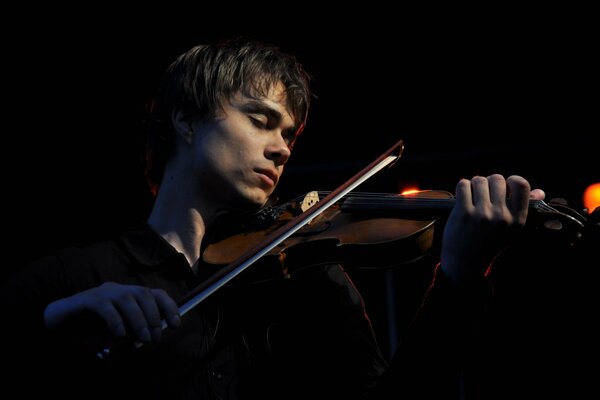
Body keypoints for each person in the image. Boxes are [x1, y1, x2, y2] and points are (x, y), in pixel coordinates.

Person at [0, 36, 546, 399]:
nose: (282, 149)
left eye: (289, 134)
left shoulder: (310, 279)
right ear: (187, 123)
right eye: (261, 121)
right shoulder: (83, 277)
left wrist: (459, 276)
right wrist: (57, 317)